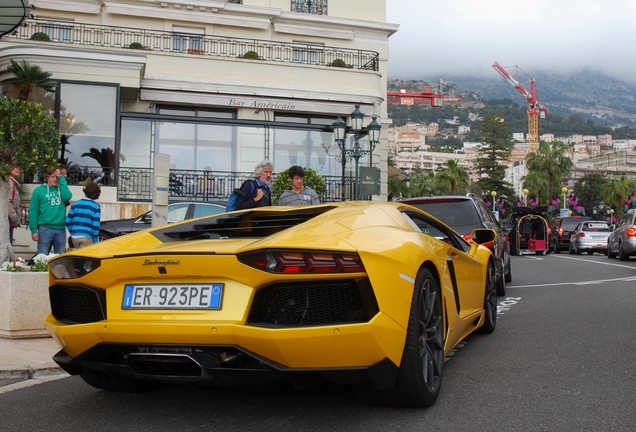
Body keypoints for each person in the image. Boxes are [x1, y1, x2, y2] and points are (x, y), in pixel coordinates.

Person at [28, 166, 73, 254]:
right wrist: (33, 230)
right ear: (47, 177)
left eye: (57, 177)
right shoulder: (38, 191)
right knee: (42, 258)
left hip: (60, 228)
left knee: (60, 259)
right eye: (52, 177)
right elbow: (33, 211)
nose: (55, 179)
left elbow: (68, 196)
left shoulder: (61, 189)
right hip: (45, 228)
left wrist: (62, 179)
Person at [65, 181, 102, 249]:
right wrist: (95, 240)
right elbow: (95, 226)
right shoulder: (96, 207)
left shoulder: (75, 204)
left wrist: (73, 231)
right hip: (87, 237)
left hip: (74, 237)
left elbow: (67, 221)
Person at [8, 163, 21, 245]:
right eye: (14, 167)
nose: (17, 169)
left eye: (19, 167)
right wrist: (14, 218)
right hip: (7, 222)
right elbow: (7, 202)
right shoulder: (9, 182)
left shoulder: (12, 183)